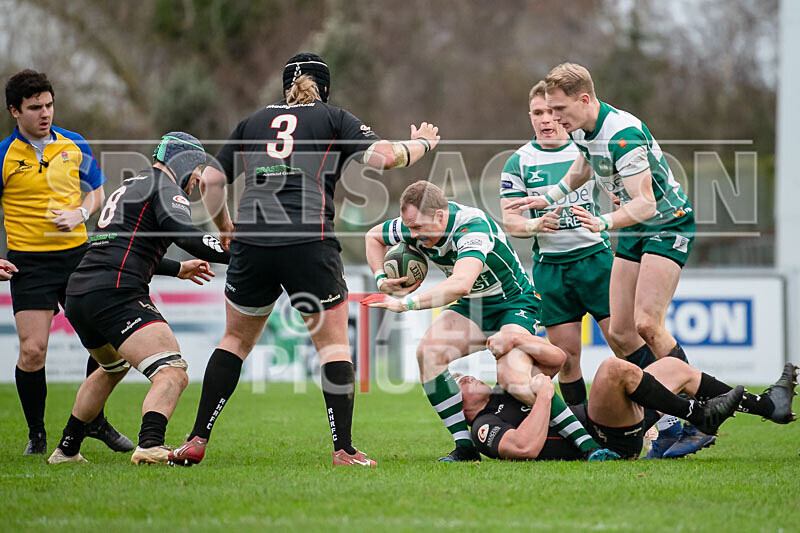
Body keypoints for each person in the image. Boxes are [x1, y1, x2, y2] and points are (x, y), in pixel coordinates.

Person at [169, 53, 440, 467]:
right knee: (332, 345)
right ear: (325, 88)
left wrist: (225, 227)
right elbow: (386, 158)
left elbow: (209, 180)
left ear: (284, 88)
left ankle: (196, 439)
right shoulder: (332, 117)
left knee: (235, 341)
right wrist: (421, 143)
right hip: (308, 239)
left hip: (253, 241)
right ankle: (343, 450)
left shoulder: (253, 121)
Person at [506, 62, 707, 457]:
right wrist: (550, 197)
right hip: (631, 227)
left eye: (560, 110)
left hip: (667, 224)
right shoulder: (582, 128)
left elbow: (647, 203)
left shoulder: (623, 136)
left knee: (648, 324)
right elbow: (584, 164)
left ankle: (692, 417)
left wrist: (602, 221)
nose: (554, 119)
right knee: (618, 332)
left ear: (584, 99)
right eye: (546, 111)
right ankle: (672, 414)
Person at [363, 181, 615, 462]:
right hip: (474, 306)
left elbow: (460, 284)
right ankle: (465, 448)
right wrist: (381, 279)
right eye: (409, 227)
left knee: (513, 378)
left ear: (440, 216)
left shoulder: (472, 227)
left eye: (419, 227)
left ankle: (589, 445)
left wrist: (405, 303)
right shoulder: (415, 225)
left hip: (513, 304)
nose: (413, 235)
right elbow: (373, 237)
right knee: (428, 353)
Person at [46, 132, 230, 464]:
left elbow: (122, 247)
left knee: (110, 368)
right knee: (172, 371)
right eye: (199, 168)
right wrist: (239, 253)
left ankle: (67, 449)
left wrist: (177, 269)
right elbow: (186, 234)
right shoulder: (167, 188)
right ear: (185, 162)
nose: (199, 178)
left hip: (80, 292)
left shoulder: (132, 185)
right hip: (116, 293)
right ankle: (150, 444)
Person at [1, 69, 132, 455]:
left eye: (49, 105)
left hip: (78, 258)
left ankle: (94, 421)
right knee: (32, 351)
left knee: (105, 347)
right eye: (34, 107)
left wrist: (81, 212)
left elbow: (97, 192)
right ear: (15, 111)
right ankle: (36, 435)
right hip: (29, 264)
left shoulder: (74, 144)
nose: (45, 113)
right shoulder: (5, 155)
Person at [499, 80, 645, 406]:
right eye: (538, 113)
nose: (546, 119)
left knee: (624, 344)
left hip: (595, 259)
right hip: (551, 268)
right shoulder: (517, 162)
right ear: (530, 116)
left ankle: (650, 423)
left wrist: (620, 202)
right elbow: (511, 222)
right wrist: (536, 224)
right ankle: (583, 429)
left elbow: (620, 190)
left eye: (551, 112)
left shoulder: (585, 147)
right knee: (565, 357)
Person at [462, 330, 798, 460]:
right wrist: (546, 395)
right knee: (612, 369)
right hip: (602, 436)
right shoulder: (485, 425)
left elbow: (558, 358)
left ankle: (770, 406)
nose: (466, 377)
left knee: (674, 368)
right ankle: (697, 415)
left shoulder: (506, 388)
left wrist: (515, 340)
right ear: (461, 408)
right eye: (459, 383)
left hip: (610, 422)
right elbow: (523, 448)